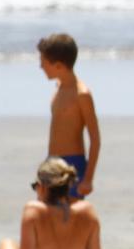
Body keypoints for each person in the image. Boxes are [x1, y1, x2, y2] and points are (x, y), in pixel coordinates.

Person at [0, 157, 119, 249]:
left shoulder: (33, 212)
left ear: (42, 187)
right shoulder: (88, 212)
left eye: (35, 186)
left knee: (7, 245)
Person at [38, 34, 101, 199]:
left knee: (68, 220)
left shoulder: (82, 94)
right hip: (51, 163)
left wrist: (88, 179)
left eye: (43, 62)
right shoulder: (58, 88)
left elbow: (95, 139)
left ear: (58, 65)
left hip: (72, 166)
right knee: (47, 221)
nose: (40, 66)